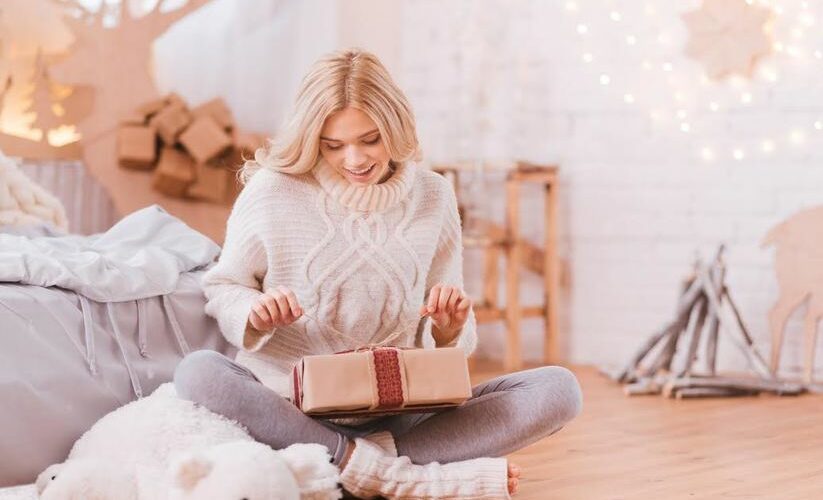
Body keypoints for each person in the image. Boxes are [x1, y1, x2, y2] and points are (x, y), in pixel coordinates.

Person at [174, 47, 582, 499]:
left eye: (370, 139)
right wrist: (255, 311)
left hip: (400, 410)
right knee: (198, 374)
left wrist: (448, 330)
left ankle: (344, 463)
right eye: (333, 145)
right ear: (314, 138)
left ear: (396, 126)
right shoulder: (274, 191)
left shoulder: (433, 196)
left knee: (558, 390)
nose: (354, 159)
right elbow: (223, 285)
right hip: (292, 409)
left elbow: (451, 335)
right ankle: (394, 475)